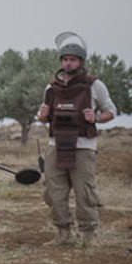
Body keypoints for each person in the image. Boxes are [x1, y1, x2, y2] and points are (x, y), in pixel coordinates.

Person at [36, 32, 115, 247]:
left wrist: (96, 117)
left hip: (83, 147)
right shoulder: (51, 87)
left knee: (85, 191)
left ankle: (89, 235)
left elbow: (111, 110)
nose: (68, 63)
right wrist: (42, 116)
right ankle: (63, 234)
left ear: (81, 61)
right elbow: (43, 116)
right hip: (56, 145)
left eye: (72, 59)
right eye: (65, 59)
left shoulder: (94, 86)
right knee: (54, 191)